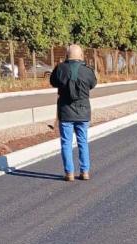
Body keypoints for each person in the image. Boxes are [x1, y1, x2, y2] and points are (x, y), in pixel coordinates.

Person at [50, 44, 97, 182]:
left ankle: (69, 173)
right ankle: (85, 171)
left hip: (65, 112)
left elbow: (52, 81)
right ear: (81, 56)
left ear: (66, 56)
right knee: (83, 141)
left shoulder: (60, 69)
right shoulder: (88, 70)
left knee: (66, 142)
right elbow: (93, 84)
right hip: (83, 111)